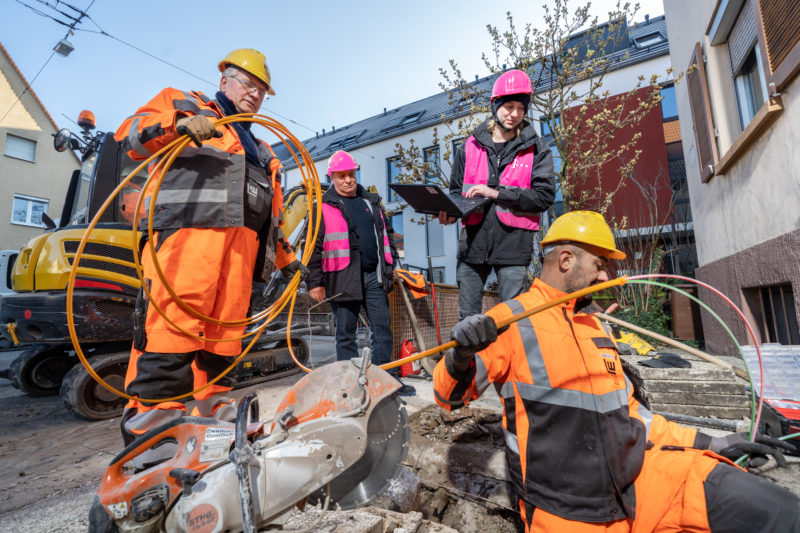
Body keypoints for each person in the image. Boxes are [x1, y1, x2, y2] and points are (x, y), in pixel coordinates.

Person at [434, 210, 799, 532]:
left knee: (773, 508)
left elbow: (634, 414)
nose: (605, 274)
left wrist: (711, 443)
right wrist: (460, 357)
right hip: (565, 511)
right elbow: (446, 396)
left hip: (641, 482)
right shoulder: (510, 321)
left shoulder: (596, 327)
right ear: (566, 260)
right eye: (600, 264)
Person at [115, 49, 307, 445]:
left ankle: (215, 418)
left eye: (261, 91)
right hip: (187, 244)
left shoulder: (264, 151)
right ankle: (154, 429)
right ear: (224, 81)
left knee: (223, 340)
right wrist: (179, 124)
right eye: (248, 85)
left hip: (239, 258)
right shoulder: (183, 105)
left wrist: (287, 261)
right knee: (172, 330)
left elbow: (270, 218)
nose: (254, 95)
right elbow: (131, 135)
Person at [438, 69, 555, 320]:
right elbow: (456, 192)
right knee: (467, 320)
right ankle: (471, 361)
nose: (514, 114)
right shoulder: (469, 146)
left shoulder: (537, 149)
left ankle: (508, 361)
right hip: (472, 246)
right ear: (495, 105)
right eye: (509, 106)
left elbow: (544, 197)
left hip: (514, 246)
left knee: (511, 320)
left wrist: (496, 193)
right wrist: (449, 213)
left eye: (520, 109)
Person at [307, 150, 415, 396]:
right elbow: (312, 247)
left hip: (373, 277)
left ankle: (385, 382)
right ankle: (351, 386)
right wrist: (315, 282)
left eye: (351, 174)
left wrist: (391, 264)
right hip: (342, 278)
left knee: (382, 328)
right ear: (332, 178)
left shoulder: (372, 202)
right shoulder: (321, 206)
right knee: (346, 334)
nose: (347, 180)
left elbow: (387, 235)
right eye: (341, 175)